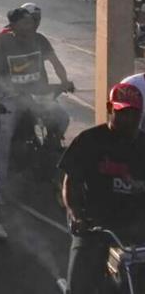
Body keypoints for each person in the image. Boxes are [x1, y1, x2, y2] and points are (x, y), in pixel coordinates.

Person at [60, 82, 145, 294]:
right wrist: (76, 214)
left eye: (134, 114)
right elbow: (71, 182)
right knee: (79, 285)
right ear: (110, 109)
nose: (129, 120)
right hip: (95, 226)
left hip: (135, 229)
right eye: (122, 113)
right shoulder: (89, 141)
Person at [0, 7, 74, 202]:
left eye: (32, 22)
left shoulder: (40, 39)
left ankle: (49, 157)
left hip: (36, 93)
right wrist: (12, 92)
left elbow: (56, 62)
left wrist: (65, 81)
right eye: (26, 22)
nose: (31, 25)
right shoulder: (4, 42)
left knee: (62, 118)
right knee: (5, 133)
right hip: (10, 96)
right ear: (14, 26)